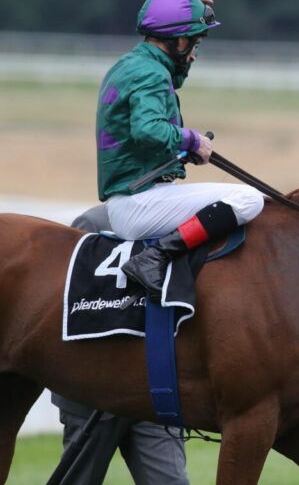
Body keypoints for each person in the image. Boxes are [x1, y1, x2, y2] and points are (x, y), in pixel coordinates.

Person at [97, 0, 263, 300]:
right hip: (139, 203)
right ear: (178, 41)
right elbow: (147, 130)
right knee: (249, 199)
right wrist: (192, 140)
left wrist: (183, 11)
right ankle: (154, 258)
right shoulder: (151, 74)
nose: (195, 54)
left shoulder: (133, 65)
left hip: (132, 196)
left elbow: (168, 86)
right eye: (194, 43)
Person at [52, 205, 189, 484]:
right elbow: (65, 305)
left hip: (151, 395)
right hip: (89, 396)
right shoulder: (93, 222)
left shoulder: (179, 226)